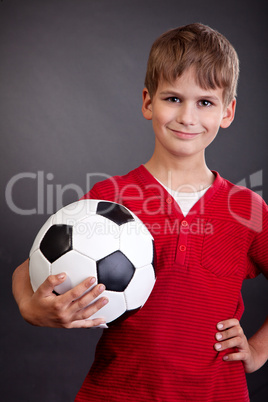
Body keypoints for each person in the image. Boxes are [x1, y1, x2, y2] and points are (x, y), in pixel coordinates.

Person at [12, 23, 268, 401]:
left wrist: (259, 350)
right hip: (118, 390)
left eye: (205, 102)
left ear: (227, 112)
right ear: (148, 102)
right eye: (173, 99)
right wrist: (32, 308)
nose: (187, 117)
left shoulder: (247, 209)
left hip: (217, 393)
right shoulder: (108, 198)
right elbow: (32, 267)